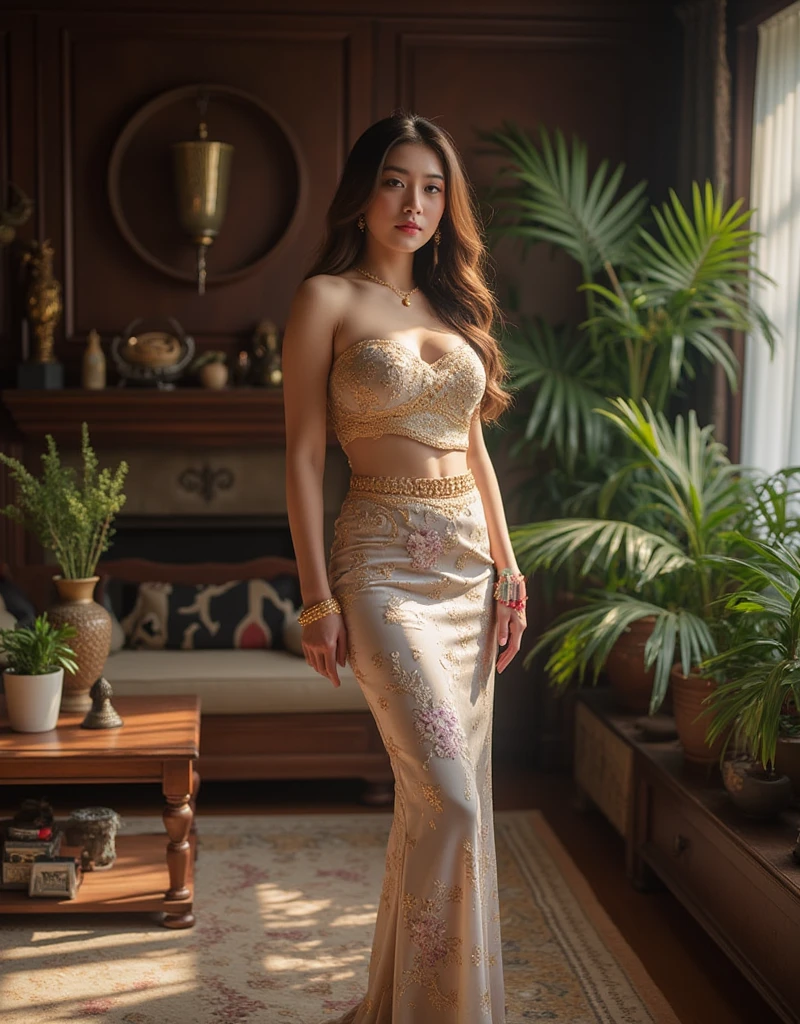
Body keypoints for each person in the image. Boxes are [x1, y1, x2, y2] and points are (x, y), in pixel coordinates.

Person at [282, 111, 527, 1024]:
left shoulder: (455, 308)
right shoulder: (326, 300)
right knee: (449, 797)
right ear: (365, 191)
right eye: (395, 181)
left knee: (442, 802)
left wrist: (509, 570)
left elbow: (475, 451)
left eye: (431, 187)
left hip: (469, 566)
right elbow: (305, 457)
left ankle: (415, 1008)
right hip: (378, 559)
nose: (413, 202)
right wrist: (315, 599)